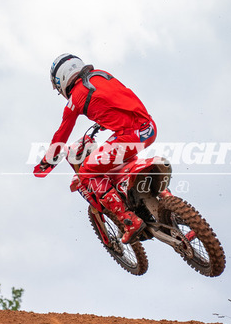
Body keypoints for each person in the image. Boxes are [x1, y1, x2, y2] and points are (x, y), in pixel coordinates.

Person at [35, 53, 157, 244]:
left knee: (86, 173)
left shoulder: (75, 99)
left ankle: (129, 220)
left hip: (128, 136)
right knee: (123, 160)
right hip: (149, 127)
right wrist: (104, 120)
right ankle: (164, 201)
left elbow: (61, 135)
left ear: (62, 80)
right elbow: (116, 99)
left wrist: (46, 162)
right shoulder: (102, 75)